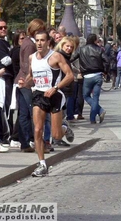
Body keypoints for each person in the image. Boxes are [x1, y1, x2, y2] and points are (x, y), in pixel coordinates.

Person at [26, 31, 75, 177]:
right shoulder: (31, 58)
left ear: (48, 42)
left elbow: (70, 75)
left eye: (42, 40)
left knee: (56, 135)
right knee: (37, 130)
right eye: (37, 40)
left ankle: (64, 128)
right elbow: (32, 74)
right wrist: (24, 82)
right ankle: (42, 164)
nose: (39, 43)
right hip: (39, 95)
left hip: (54, 95)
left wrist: (55, 88)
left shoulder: (55, 56)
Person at [15, 19, 46, 153]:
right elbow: (28, 65)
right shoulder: (30, 45)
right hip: (27, 82)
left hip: (23, 81)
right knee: (31, 113)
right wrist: (31, 80)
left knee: (24, 113)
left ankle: (25, 142)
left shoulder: (28, 43)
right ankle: (31, 141)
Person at [79, 33, 109, 124]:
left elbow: (72, 58)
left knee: (86, 96)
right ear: (95, 40)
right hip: (98, 75)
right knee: (96, 97)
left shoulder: (81, 50)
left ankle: (100, 111)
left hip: (87, 75)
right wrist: (105, 71)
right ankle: (93, 117)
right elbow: (107, 61)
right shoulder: (99, 49)